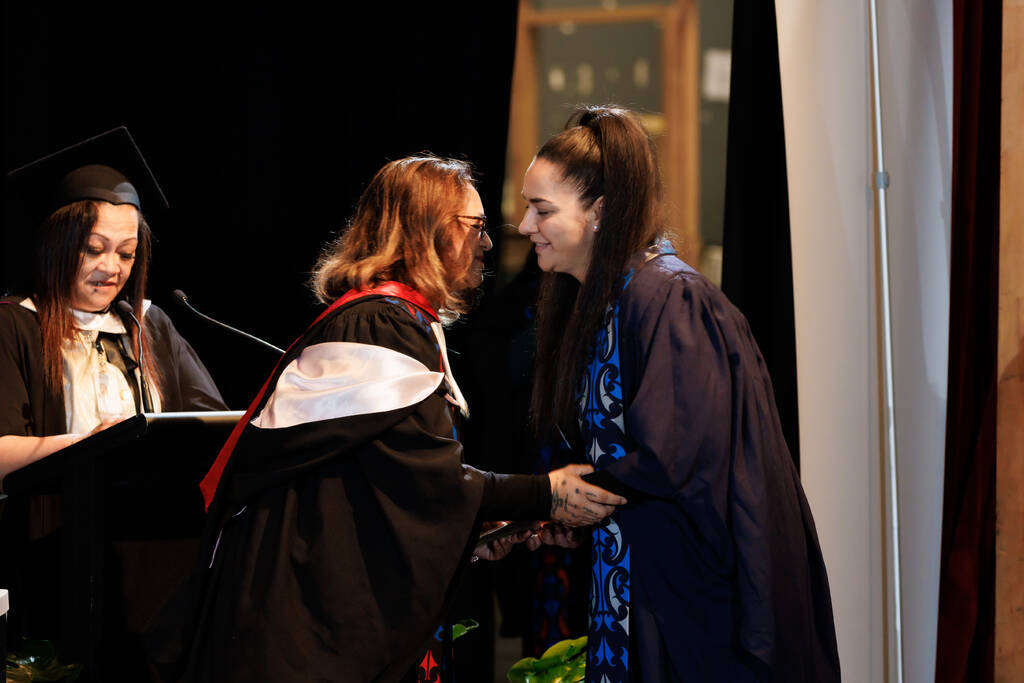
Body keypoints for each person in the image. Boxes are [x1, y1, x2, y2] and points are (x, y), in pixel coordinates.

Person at [159, 155, 625, 683]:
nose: (488, 244)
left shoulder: (392, 322)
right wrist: (546, 493)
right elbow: (427, 477)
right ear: (428, 232)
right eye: (474, 228)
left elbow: (386, 488)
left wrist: (481, 525)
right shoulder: (378, 325)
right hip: (300, 620)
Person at [517, 105, 841, 682]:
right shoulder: (610, 301)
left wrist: (562, 496)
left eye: (542, 210)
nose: (524, 226)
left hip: (696, 606)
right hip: (642, 584)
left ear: (600, 212)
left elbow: (673, 457)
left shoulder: (670, 299)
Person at [0, 127, 227, 487]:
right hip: (54, 530)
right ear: (55, 248)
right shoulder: (15, 323)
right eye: (93, 249)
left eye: (126, 253)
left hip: (154, 529)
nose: (112, 268)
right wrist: (92, 447)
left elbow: (212, 429)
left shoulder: (148, 324)